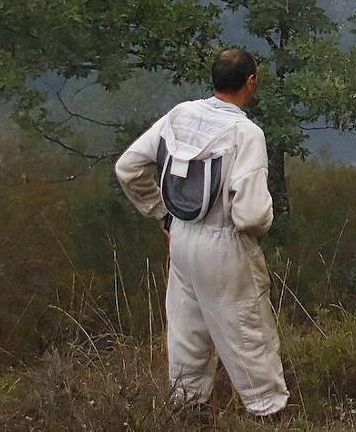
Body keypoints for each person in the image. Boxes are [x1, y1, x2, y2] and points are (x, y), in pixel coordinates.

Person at [114, 48, 289, 418]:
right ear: (251, 81)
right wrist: (259, 225)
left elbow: (128, 167)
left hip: (183, 240)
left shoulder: (180, 114)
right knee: (247, 331)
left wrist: (163, 215)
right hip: (225, 244)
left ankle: (188, 413)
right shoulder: (246, 132)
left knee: (187, 332)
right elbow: (252, 215)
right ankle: (268, 413)